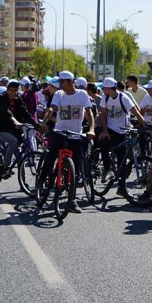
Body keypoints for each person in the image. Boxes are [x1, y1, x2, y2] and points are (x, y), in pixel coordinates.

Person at [40, 71, 93, 213]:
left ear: (70, 81)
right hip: (60, 132)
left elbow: (89, 113)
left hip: (75, 135)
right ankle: (42, 182)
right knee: (51, 157)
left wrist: (92, 129)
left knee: (74, 169)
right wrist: (45, 121)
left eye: (63, 81)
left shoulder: (82, 94)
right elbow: (52, 109)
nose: (61, 84)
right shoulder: (58, 95)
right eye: (60, 82)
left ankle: (72, 199)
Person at [96, 78, 141, 197]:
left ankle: (121, 188)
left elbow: (135, 111)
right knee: (103, 142)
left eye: (105, 88)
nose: (104, 90)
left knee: (122, 160)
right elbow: (103, 114)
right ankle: (107, 168)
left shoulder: (123, 97)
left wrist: (145, 125)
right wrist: (105, 131)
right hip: (110, 128)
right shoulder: (105, 98)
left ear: (109, 88)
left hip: (122, 130)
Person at [0, 80, 34, 180]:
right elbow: (6, 111)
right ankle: (5, 167)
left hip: (14, 130)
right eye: (11, 90)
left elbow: (25, 112)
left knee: (20, 156)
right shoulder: (1, 97)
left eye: (15, 91)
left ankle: (23, 183)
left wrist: (36, 124)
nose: (13, 93)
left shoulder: (18, 99)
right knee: (13, 141)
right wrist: (15, 121)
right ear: (7, 90)